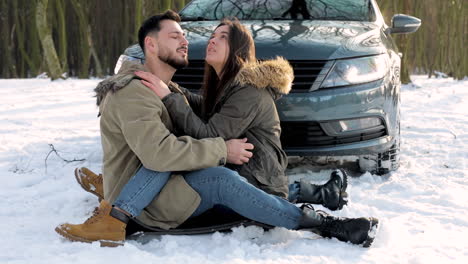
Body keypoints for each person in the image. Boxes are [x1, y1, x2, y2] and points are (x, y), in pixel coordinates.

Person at [55, 11, 378, 248]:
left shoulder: (245, 89)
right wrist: (175, 96)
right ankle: (115, 205)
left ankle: (322, 215)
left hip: (253, 171)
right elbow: (170, 141)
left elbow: (204, 134)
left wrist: (174, 98)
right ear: (150, 45)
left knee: (233, 183)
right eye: (177, 36)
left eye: (220, 37)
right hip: (209, 176)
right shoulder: (148, 89)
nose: (189, 42)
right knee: (216, 174)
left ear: (238, 49)